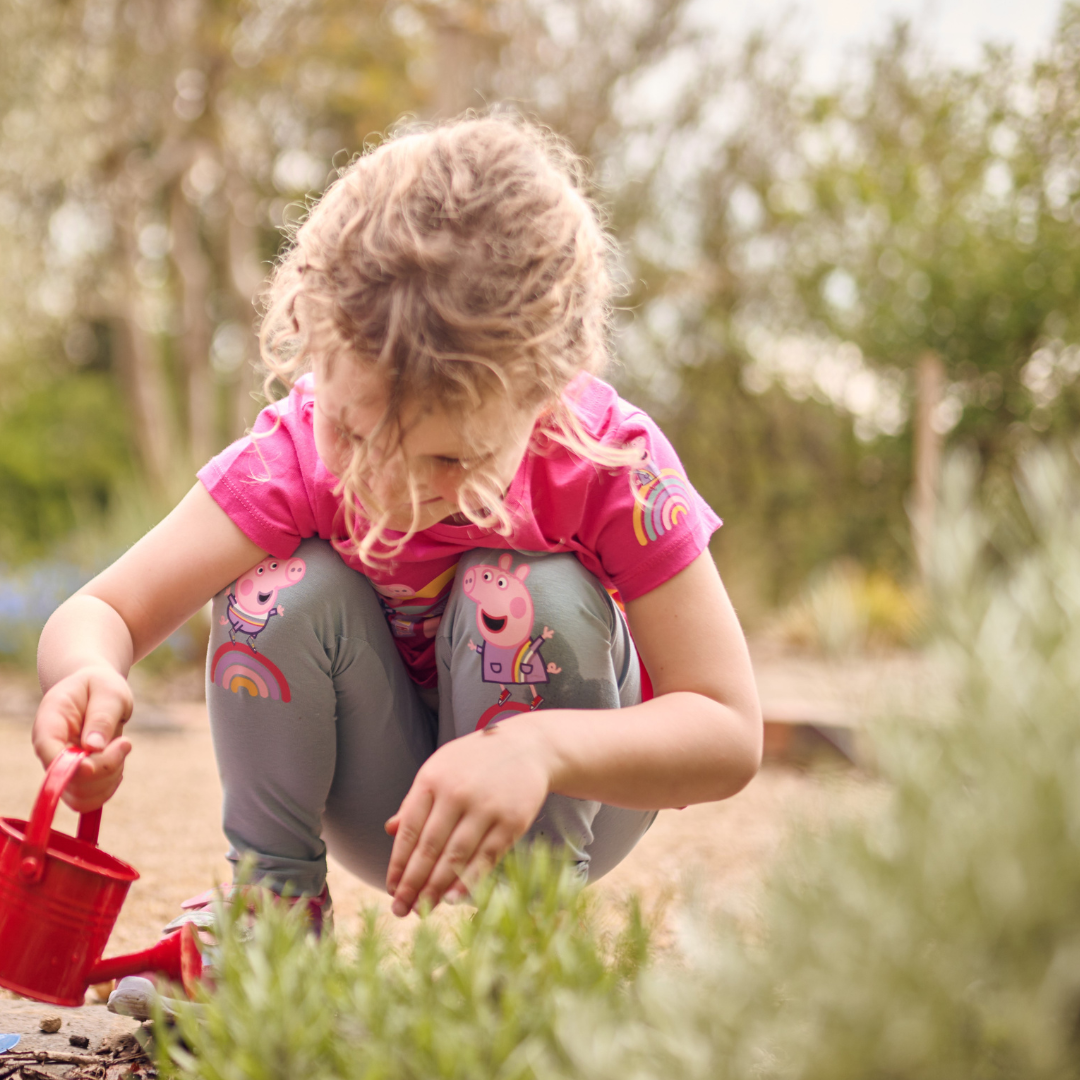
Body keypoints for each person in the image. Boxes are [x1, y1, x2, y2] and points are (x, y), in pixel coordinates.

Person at [32, 116, 761, 949]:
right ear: (311, 340)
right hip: (385, 804)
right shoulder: (293, 457)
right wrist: (85, 677)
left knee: (537, 588)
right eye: (352, 432)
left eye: (451, 458)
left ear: (550, 388)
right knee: (278, 591)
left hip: (573, 793)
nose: (392, 491)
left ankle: (524, 946)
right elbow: (108, 611)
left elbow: (728, 729)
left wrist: (540, 749)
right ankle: (271, 926)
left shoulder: (609, 463)